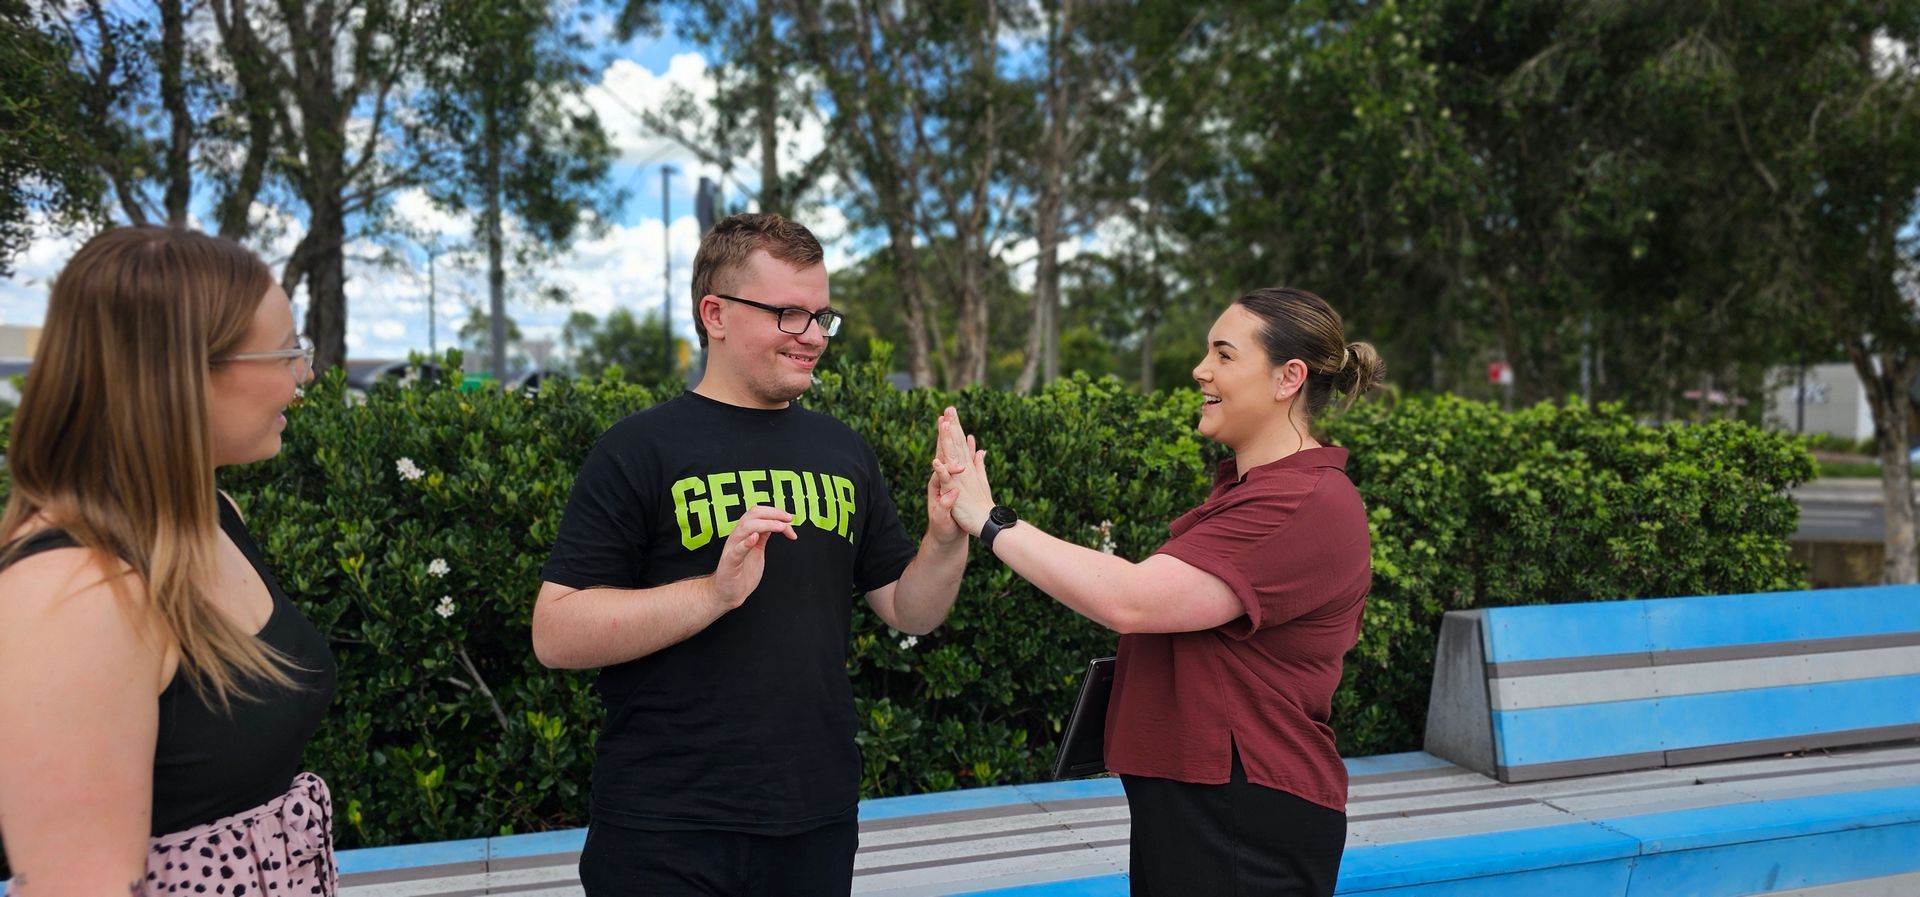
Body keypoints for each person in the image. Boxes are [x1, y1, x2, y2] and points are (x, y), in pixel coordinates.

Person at [531, 212, 973, 896]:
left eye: (823, 316)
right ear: (715, 313)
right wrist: (714, 592)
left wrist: (946, 538)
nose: (813, 337)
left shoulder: (843, 450)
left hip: (814, 819)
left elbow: (910, 609)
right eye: (789, 314)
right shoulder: (636, 450)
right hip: (664, 830)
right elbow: (556, 632)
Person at [936, 287, 1384, 897]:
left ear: (1289, 378)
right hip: (1201, 804)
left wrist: (989, 521)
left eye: (1224, 355)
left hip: (1242, 813)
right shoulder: (1254, 492)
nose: (1201, 370)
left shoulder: (1303, 500)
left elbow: (1134, 600)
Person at [0, 227, 337, 895]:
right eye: (286, 350)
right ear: (181, 372)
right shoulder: (75, 591)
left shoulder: (212, 516)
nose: (306, 372)